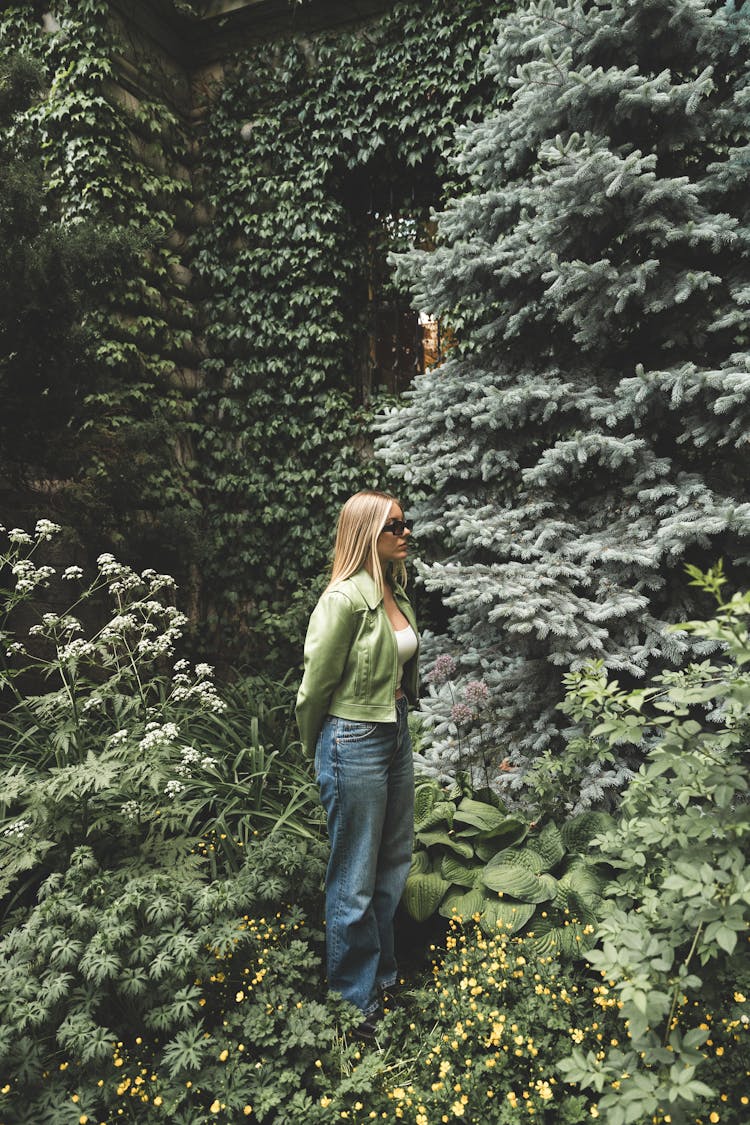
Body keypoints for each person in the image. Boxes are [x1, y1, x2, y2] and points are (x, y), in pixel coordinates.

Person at [296, 489, 419, 1040]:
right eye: (395, 524)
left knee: (393, 862)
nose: (405, 532)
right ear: (368, 531)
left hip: (394, 733)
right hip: (353, 737)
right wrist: (318, 748)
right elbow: (313, 689)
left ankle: (383, 979)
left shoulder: (395, 592)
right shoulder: (343, 600)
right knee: (354, 877)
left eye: (405, 522)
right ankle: (354, 1007)